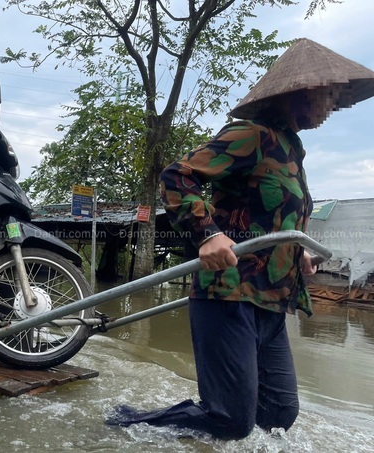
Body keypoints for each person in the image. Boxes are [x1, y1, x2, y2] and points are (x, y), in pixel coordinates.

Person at [106, 38, 374, 439]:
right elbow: (177, 176)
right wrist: (207, 234)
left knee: (279, 411)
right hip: (229, 293)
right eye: (327, 99)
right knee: (232, 420)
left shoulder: (293, 149)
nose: (332, 109)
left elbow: (277, 215)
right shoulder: (251, 136)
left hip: (270, 301)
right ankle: (127, 425)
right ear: (301, 94)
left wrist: (296, 251)